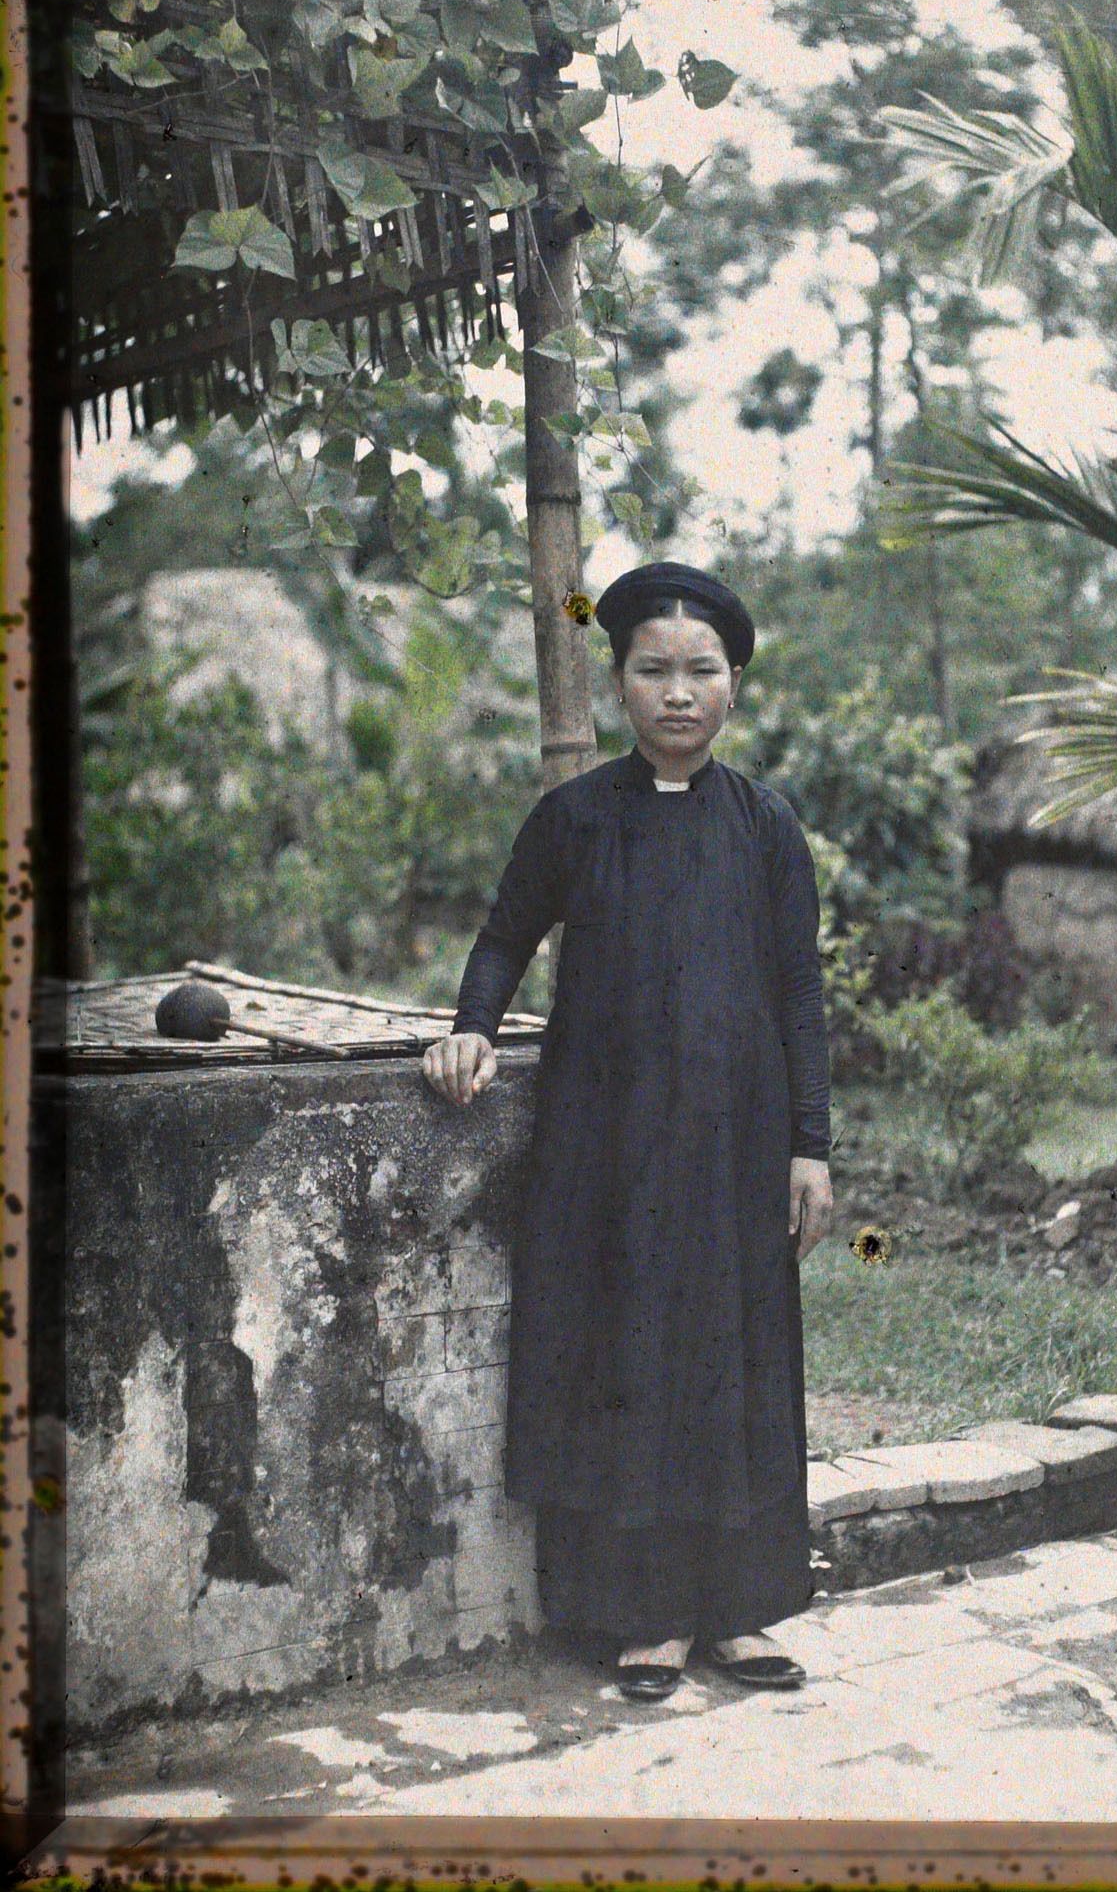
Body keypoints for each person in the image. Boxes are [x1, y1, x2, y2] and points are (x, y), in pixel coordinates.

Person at [422, 559, 834, 1703]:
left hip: (737, 1148)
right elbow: (504, 937)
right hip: (602, 1151)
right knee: (624, 1363)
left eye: (702, 670)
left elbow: (799, 991)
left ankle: (738, 1609)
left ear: (735, 683)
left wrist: (812, 1143)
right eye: (652, 669)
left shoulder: (765, 827)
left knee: (734, 1359)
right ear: (618, 683)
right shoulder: (574, 816)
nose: (678, 692)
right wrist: (469, 1030)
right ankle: (643, 1617)